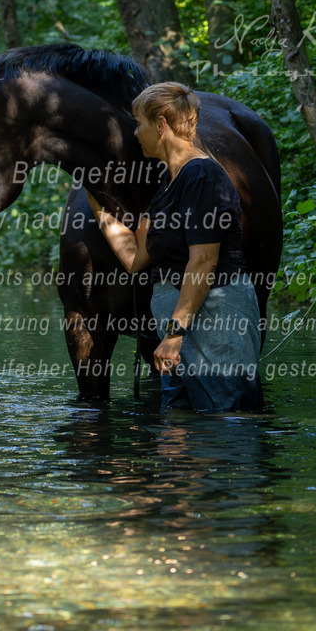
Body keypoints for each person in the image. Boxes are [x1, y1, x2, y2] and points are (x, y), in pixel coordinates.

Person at [87, 82, 263, 412]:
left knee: (225, 422)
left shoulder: (202, 176)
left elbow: (204, 261)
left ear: (161, 125)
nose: (135, 133)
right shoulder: (167, 186)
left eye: (138, 123)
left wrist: (173, 335)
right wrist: (96, 200)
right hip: (178, 326)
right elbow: (135, 259)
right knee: (177, 426)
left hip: (215, 319)